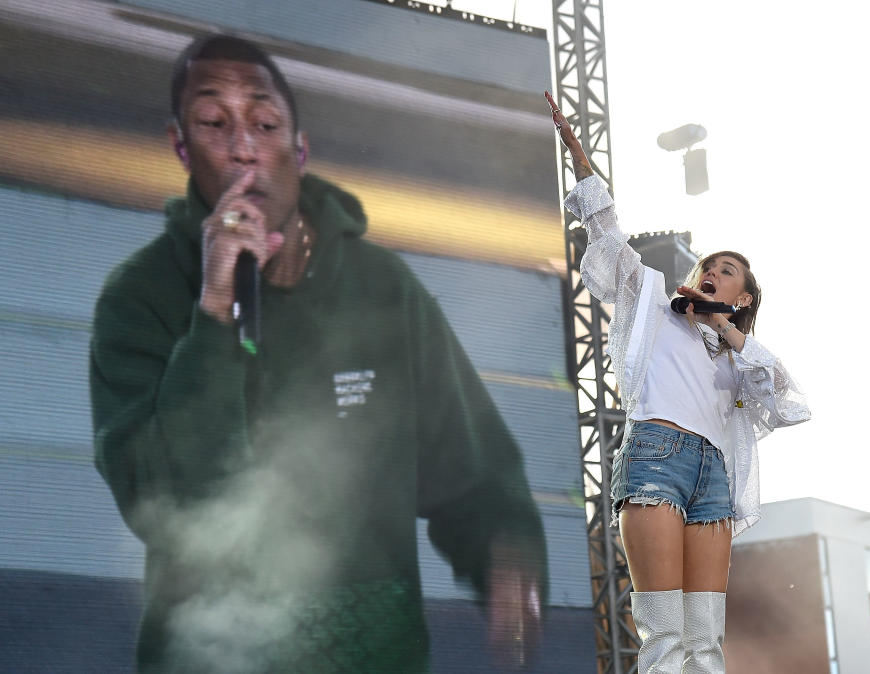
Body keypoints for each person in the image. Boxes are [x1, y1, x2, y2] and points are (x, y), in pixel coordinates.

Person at [88, 33, 547, 673]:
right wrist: (215, 315)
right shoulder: (140, 297)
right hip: (213, 652)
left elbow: (470, 469)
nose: (244, 147)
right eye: (215, 123)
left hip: (370, 652)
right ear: (181, 147)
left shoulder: (383, 289)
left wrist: (507, 558)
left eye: (265, 123)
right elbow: (159, 501)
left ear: (299, 150)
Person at [545, 92, 810, 673]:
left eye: (727, 272)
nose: (712, 272)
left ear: (741, 298)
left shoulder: (738, 357)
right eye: (708, 267)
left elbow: (789, 401)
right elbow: (608, 231)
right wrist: (580, 160)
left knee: (707, 648)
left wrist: (726, 328)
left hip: (711, 475)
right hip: (656, 456)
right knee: (664, 642)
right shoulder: (654, 303)